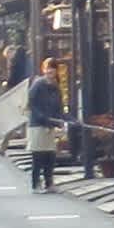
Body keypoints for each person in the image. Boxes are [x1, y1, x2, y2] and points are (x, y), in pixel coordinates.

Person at [24, 64, 66, 192]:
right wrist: (42, 117)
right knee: (38, 155)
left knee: (50, 155)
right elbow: (31, 103)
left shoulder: (56, 88)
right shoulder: (38, 85)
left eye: (53, 71)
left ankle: (49, 183)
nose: (50, 74)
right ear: (44, 71)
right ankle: (35, 183)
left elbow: (59, 107)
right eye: (48, 71)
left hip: (51, 126)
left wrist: (60, 120)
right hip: (38, 125)